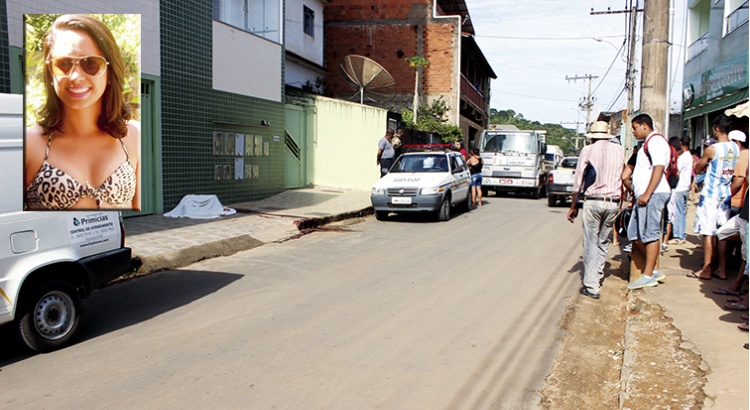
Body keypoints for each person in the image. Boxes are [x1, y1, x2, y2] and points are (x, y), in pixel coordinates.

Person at [25, 14, 140, 210]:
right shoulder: (28, 143)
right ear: (50, 71)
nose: (76, 76)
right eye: (64, 64)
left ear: (110, 73)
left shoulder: (134, 137)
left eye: (91, 64)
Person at [567, 121, 624, 299]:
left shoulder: (588, 150)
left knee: (591, 242)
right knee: (603, 241)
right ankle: (597, 276)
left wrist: (573, 206)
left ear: (592, 135)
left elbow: (579, 179)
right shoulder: (619, 150)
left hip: (593, 201)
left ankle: (592, 286)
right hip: (613, 202)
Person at [689, 115, 740, 280]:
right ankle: (722, 268)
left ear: (717, 129)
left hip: (710, 195)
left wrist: (700, 166)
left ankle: (706, 269)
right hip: (725, 195)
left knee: (708, 232)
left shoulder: (712, 149)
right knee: (722, 233)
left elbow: (697, 169)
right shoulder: (736, 148)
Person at [627, 114, 671, 290]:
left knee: (650, 234)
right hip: (644, 195)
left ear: (644, 125)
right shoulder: (646, 143)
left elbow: (659, 168)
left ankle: (648, 275)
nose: (633, 131)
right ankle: (655, 269)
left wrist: (647, 193)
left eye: (635, 127)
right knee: (635, 234)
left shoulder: (656, 141)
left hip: (653, 194)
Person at [665, 136, 693, 245]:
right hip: (685, 186)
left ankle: (678, 236)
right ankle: (681, 234)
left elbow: (677, 172)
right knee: (682, 211)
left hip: (679, 187)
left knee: (678, 212)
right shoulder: (689, 156)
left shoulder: (682, 158)